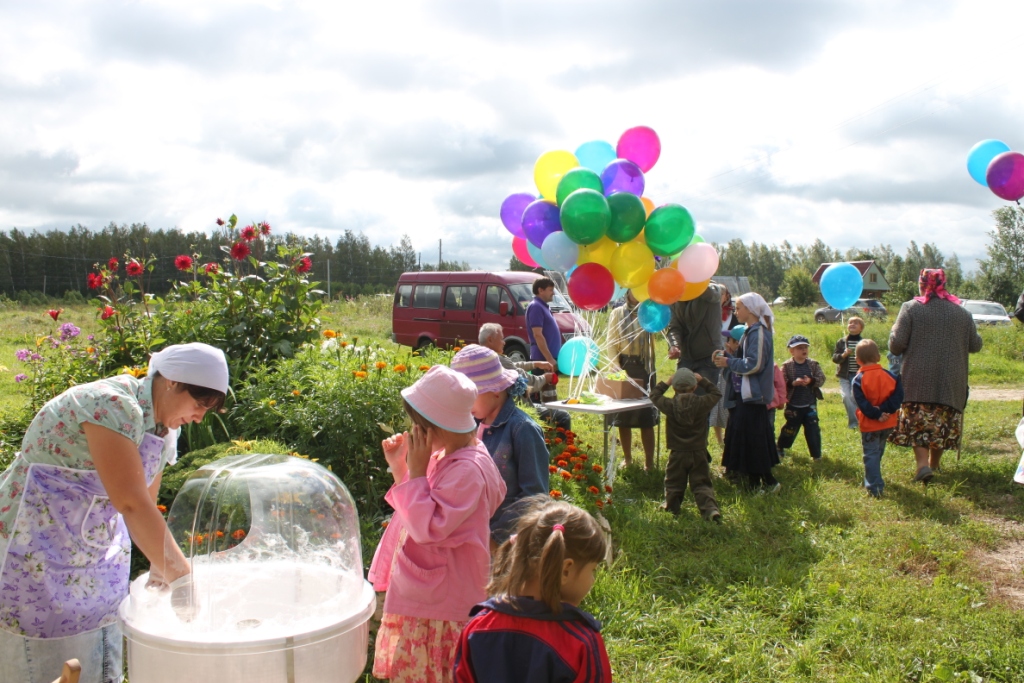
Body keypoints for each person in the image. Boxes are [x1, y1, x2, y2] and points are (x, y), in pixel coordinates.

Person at [0, 342, 229, 683]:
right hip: (39, 544)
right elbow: (131, 502)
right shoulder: (110, 405)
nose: (199, 417)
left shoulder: (163, 428)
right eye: (198, 404)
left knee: (97, 652)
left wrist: (159, 566)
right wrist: (182, 576)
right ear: (172, 382)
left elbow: (147, 504)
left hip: (94, 550)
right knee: (46, 658)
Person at [368, 365, 506, 683]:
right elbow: (421, 505)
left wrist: (416, 472)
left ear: (438, 427)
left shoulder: (466, 471)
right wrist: (400, 468)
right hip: (435, 595)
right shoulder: (456, 454)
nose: (414, 432)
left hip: (440, 604)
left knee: (436, 672)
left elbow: (427, 528)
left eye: (419, 426)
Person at [452, 496, 611, 683]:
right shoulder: (581, 643)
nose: (592, 580)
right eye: (592, 570)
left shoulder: (478, 627)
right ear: (565, 570)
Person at [888, 269, 982, 483]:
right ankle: (934, 464)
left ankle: (922, 466)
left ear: (922, 284)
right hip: (951, 379)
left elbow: (896, 345)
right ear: (943, 284)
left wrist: (893, 332)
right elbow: (975, 345)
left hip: (917, 378)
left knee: (918, 421)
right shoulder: (962, 312)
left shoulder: (911, 308)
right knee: (941, 419)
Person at [451, 345, 549, 547]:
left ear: (495, 390)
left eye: (470, 395)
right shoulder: (470, 425)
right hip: (470, 538)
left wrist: (495, 538)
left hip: (502, 543)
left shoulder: (523, 429)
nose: (464, 403)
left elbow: (535, 496)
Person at [713, 292, 779, 492]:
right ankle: (762, 482)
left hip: (753, 395)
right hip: (746, 394)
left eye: (739, 308)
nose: (736, 312)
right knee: (752, 439)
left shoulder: (758, 333)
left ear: (750, 310)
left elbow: (754, 365)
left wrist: (729, 362)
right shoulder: (751, 332)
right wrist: (728, 356)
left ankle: (762, 483)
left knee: (754, 439)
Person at [650, 368, 722, 521]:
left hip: (677, 451)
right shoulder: (702, 403)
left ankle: (671, 507)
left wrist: (667, 382)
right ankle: (710, 510)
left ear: (674, 388)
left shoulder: (670, 405)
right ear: (694, 387)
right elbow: (716, 393)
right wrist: (703, 381)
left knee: (674, 482)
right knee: (702, 483)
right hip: (699, 451)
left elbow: (654, 395)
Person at [478, 322, 570, 432]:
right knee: (563, 416)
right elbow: (526, 381)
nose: (504, 342)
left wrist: (535, 364)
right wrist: (545, 378)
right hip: (517, 409)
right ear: (490, 340)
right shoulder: (497, 359)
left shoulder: (484, 357)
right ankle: (558, 443)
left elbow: (512, 365)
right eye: (501, 339)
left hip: (504, 409)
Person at [605, 290, 660, 470]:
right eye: (634, 290)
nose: (637, 293)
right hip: (625, 367)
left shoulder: (650, 312)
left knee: (646, 417)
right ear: (628, 292)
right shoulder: (617, 313)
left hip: (645, 368)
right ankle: (627, 458)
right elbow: (611, 342)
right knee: (624, 417)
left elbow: (661, 329)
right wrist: (616, 367)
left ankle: (649, 462)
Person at [852, 339, 904, 497]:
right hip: (888, 422)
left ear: (857, 360)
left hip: (870, 424)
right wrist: (884, 411)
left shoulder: (858, 379)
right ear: (879, 357)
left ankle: (874, 487)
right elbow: (898, 398)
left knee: (871, 454)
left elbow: (862, 403)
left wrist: (877, 414)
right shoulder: (892, 376)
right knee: (878, 451)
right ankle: (874, 478)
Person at [667, 282, 724, 393]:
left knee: (702, 400)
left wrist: (694, 284)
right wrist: (674, 345)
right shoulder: (675, 296)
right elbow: (674, 326)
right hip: (686, 359)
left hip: (709, 357)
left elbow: (715, 293)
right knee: (682, 399)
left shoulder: (711, 288)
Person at [777, 334, 827, 461]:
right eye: (799, 348)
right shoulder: (787, 366)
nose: (803, 350)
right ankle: (780, 447)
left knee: (813, 429)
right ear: (792, 351)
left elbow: (821, 378)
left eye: (805, 347)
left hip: (810, 404)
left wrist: (811, 381)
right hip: (793, 405)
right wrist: (793, 383)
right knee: (790, 428)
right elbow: (781, 382)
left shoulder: (813, 364)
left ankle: (816, 455)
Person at [710, 329, 741, 447]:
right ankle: (720, 440)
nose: (727, 343)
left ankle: (729, 439)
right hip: (723, 386)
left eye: (729, 340)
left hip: (732, 392)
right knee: (718, 410)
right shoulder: (727, 353)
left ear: (737, 343)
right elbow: (716, 362)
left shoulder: (740, 358)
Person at [832, 317, 865, 430]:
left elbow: (869, 358)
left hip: (859, 376)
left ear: (861, 328)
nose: (852, 324)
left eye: (856, 323)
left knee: (855, 398)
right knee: (846, 397)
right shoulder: (842, 342)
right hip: (844, 376)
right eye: (850, 322)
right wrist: (844, 355)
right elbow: (835, 359)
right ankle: (854, 424)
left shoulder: (864, 342)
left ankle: (862, 420)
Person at [525, 277, 561, 368]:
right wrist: (549, 359)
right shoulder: (536, 307)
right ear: (541, 290)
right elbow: (537, 335)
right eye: (550, 290)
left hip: (548, 359)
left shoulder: (543, 306)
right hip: (543, 360)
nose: (553, 293)